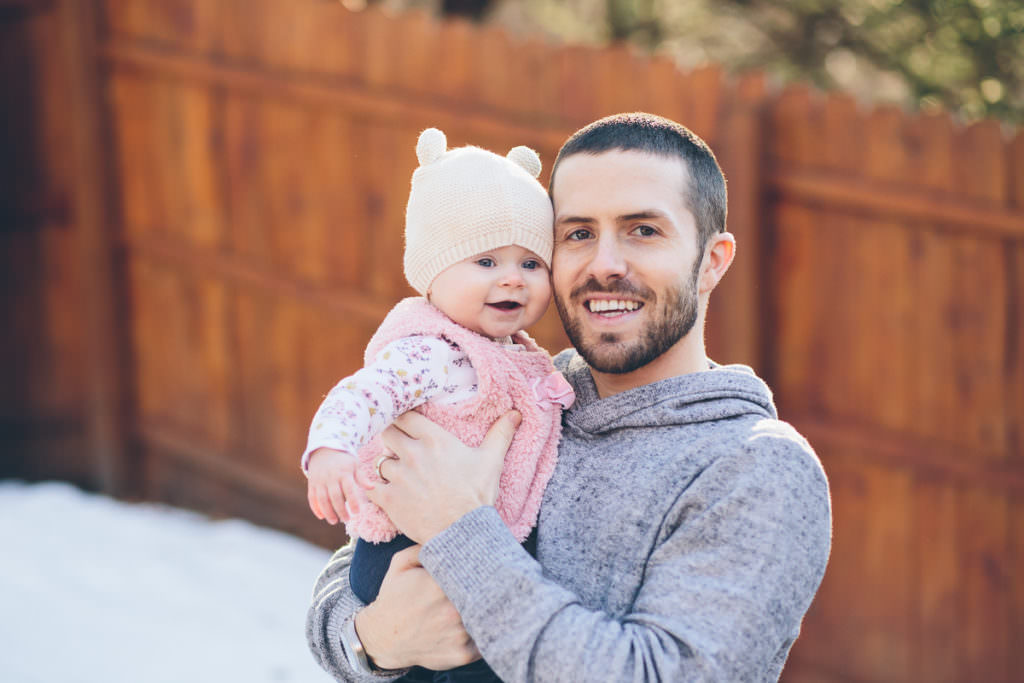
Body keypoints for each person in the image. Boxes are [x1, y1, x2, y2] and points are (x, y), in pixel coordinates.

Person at [306, 112, 832, 682]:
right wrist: (374, 641)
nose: (604, 265)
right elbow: (354, 567)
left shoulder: (757, 468)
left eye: (643, 230)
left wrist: (461, 530)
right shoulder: (528, 396)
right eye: (578, 234)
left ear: (712, 261)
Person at [301, 128, 574, 682]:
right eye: (486, 261)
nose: (512, 279)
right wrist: (331, 447)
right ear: (433, 272)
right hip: (405, 551)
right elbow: (366, 393)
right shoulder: (431, 352)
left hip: (463, 550)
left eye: (531, 264)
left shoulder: (514, 354)